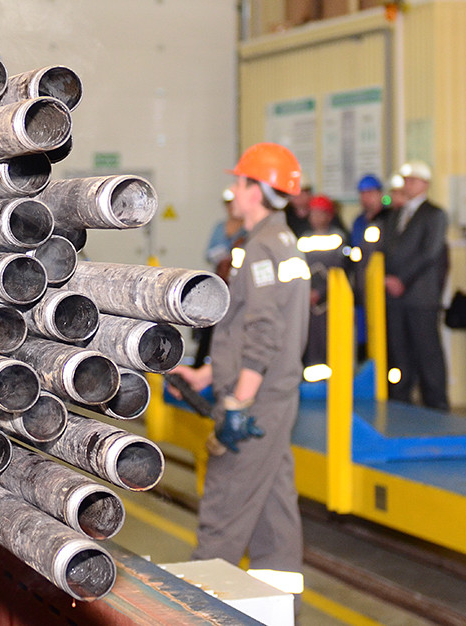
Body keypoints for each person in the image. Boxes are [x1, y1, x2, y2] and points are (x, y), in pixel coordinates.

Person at [171, 142, 310, 603]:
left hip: (257, 401)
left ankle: (201, 607)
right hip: (274, 396)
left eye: (240, 182)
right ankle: (279, 607)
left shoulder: (263, 249)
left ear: (258, 190)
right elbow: (253, 330)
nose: (233, 191)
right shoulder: (282, 243)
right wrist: (208, 376)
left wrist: (238, 402)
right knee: (274, 512)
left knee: (224, 506)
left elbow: (264, 331)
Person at [381, 160, 449, 410]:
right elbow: (387, 250)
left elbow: (429, 253)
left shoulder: (435, 214)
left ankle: (437, 405)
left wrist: (402, 280)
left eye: (412, 180)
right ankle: (400, 404)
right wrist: (388, 277)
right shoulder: (395, 215)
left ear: (425, 184)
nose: (407, 184)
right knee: (400, 354)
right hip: (395, 298)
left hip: (421, 296)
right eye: (405, 180)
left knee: (427, 353)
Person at [193, 188, 247, 366]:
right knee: (211, 323)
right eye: (228, 204)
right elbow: (209, 253)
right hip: (220, 281)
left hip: (240, 284)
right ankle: (200, 365)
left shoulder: (248, 229)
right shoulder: (219, 228)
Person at [299, 194, 349, 367]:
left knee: (331, 340)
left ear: (329, 215)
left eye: (320, 213)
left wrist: (320, 292)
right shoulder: (304, 239)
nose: (316, 217)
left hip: (331, 301)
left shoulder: (338, 238)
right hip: (309, 303)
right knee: (312, 344)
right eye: (313, 213)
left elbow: (340, 269)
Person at [348, 174, 389, 360]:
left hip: (383, 292)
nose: (366, 198)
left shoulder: (389, 219)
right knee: (364, 344)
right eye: (363, 194)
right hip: (361, 290)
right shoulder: (358, 222)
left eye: (370, 193)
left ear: (380, 194)